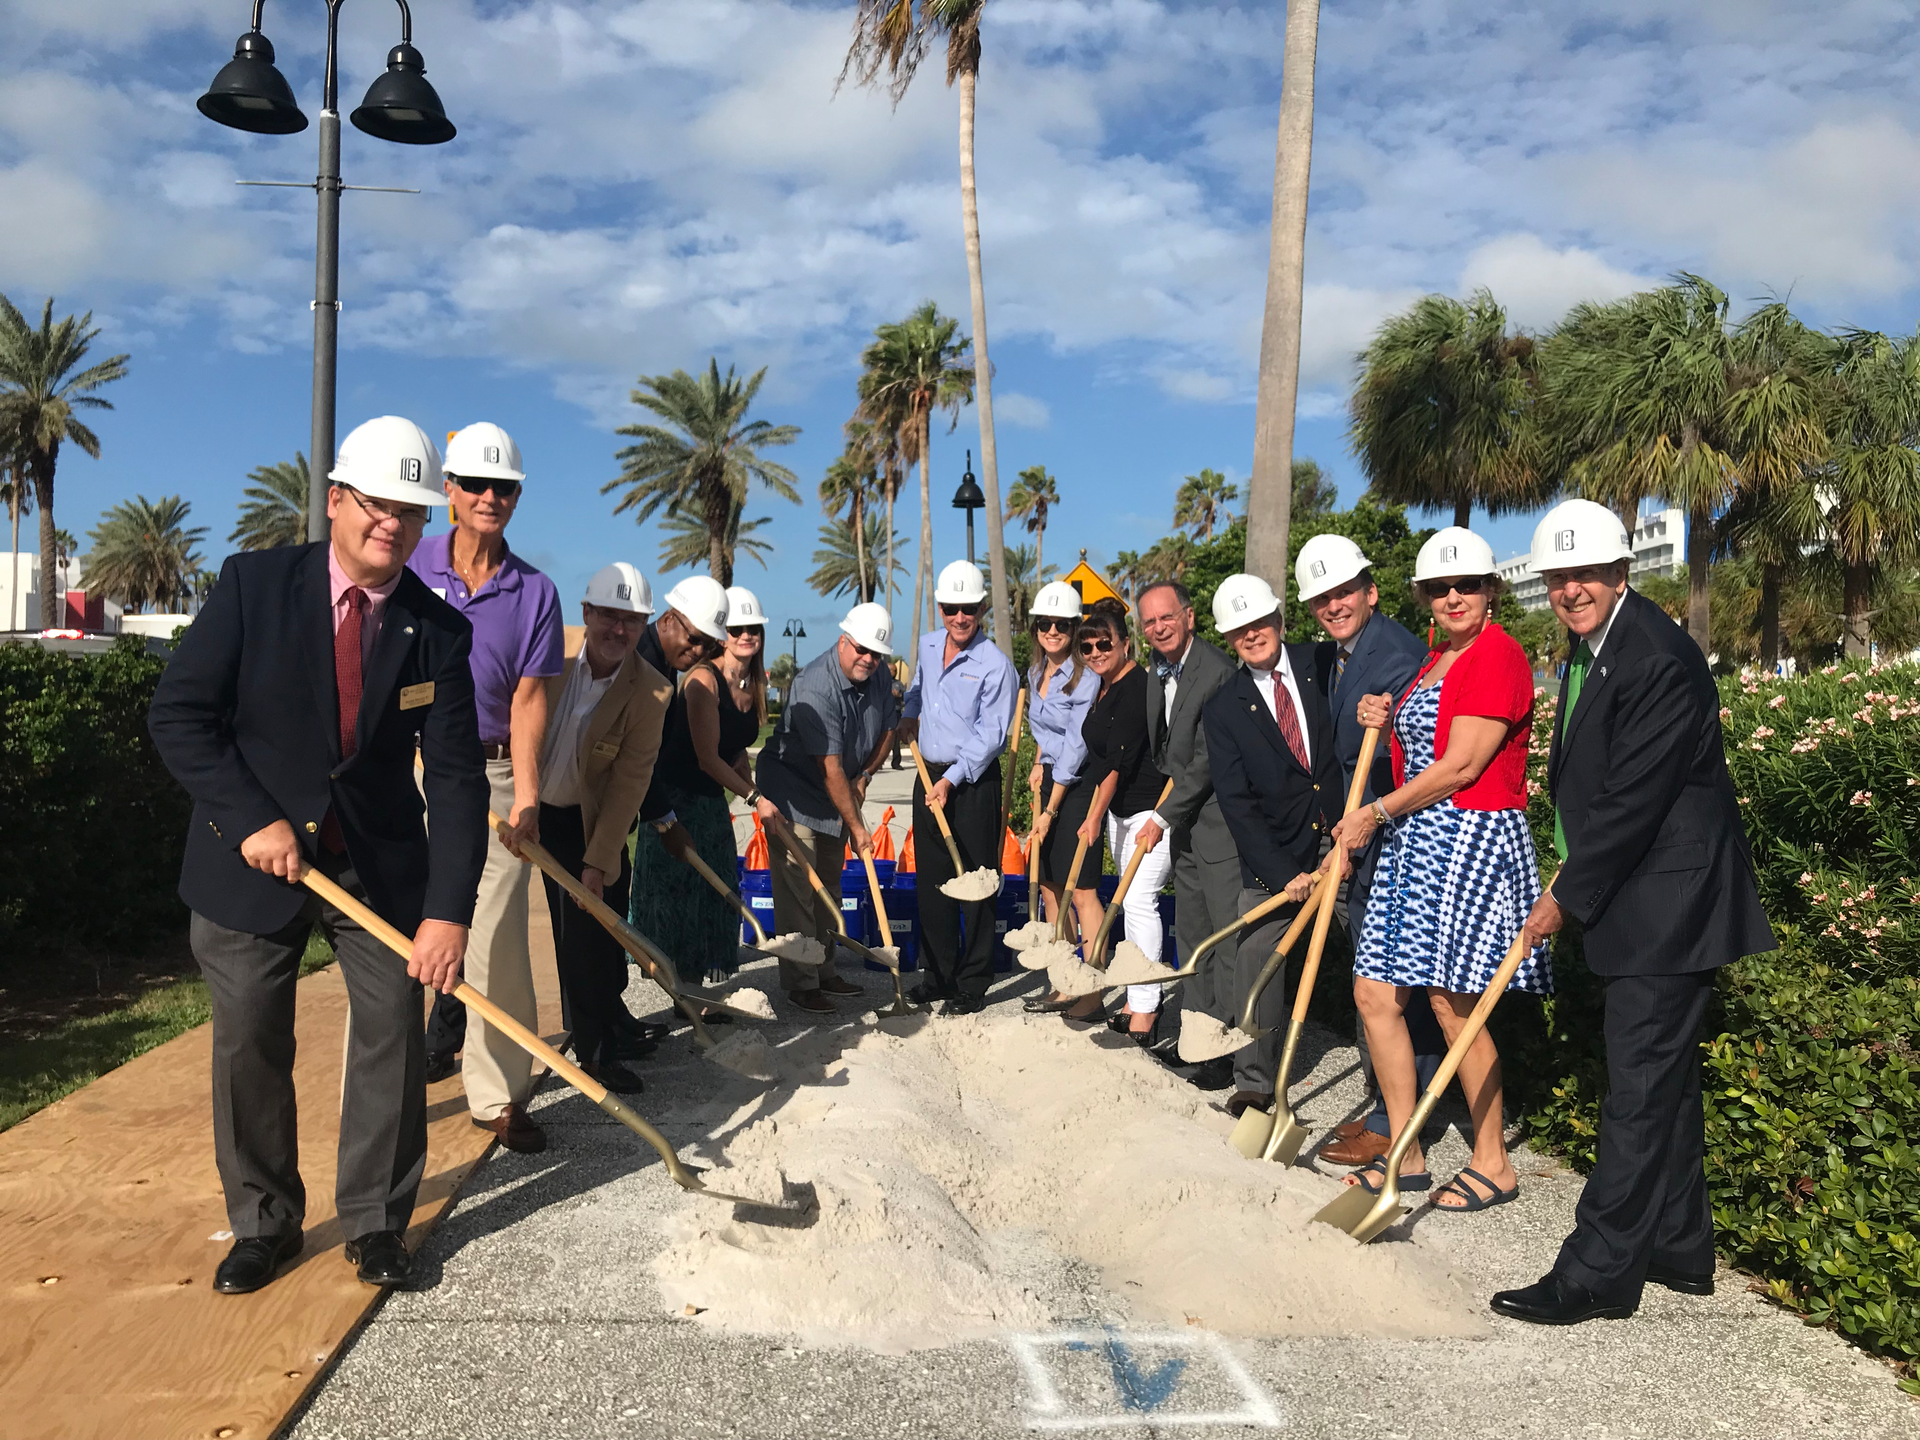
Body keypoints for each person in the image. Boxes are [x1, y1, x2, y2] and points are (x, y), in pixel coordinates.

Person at [147, 415, 486, 1294]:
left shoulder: (437, 632)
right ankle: (265, 1221)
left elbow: (454, 783)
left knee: (392, 1038)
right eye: (378, 505)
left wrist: (447, 912)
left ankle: (376, 1222)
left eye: (413, 513)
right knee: (251, 1039)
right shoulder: (255, 587)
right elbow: (180, 716)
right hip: (247, 859)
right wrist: (251, 819)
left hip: (373, 869)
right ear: (336, 500)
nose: (395, 526)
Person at [1491, 500, 1773, 1325]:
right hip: (1645, 893)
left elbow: (1630, 805)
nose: (1571, 589)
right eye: (1559, 577)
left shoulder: (1652, 656)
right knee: (1664, 1086)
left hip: (1670, 903)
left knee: (1638, 1091)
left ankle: (1595, 1275)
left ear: (1621, 571)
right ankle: (1680, 1248)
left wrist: (1562, 898)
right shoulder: (1599, 645)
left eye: (1586, 574)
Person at [1330, 527, 1547, 1212]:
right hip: (1413, 840)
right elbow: (1416, 743)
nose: (1454, 597)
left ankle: (1494, 1161)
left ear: (1491, 591)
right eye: (1440, 588)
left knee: (1455, 1008)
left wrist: (1374, 813)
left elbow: (1462, 765)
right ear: (1425, 597)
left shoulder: (1500, 655)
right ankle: (1407, 1151)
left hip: (1468, 836)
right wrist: (1382, 714)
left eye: (1468, 586)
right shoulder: (1433, 660)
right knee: (1374, 996)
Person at [408, 421, 563, 1155]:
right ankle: (393, 1088)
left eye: (505, 488)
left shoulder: (536, 592)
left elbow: (532, 704)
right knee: (399, 927)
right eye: (475, 485)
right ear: (449, 491)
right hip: (403, 767)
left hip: (493, 770)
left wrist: (527, 798)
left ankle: (498, 1094)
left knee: (496, 936)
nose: (490, 497)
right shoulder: (407, 564)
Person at [1295, 533, 1441, 1168]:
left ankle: (1402, 1119)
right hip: (1362, 834)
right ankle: (1384, 1104)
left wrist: (1362, 827)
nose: (1334, 605)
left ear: (1370, 591)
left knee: (1395, 989)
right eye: (1323, 599)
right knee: (1373, 984)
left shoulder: (1398, 654)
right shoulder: (1343, 654)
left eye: (1344, 592)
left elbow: (1414, 746)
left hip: (1396, 836)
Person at [1200, 574, 1340, 1116]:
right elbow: (1237, 803)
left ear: (1281, 621)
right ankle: (1254, 1082)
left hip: (1345, 839)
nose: (1252, 635)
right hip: (1276, 859)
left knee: (1373, 966)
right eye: (1239, 630)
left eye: (1259, 622)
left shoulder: (1323, 665)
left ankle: (1384, 1092)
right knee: (1256, 956)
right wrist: (1282, 873)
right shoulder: (1225, 706)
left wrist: (1346, 832)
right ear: (1230, 639)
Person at [535, 563, 673, 1094]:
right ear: (586, 612)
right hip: (516, 799)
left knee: (586, 935)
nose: (618, 630)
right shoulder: (548, 650)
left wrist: (598, 860)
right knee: (478, 923)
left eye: (631, 621)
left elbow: (629, 783)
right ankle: (444, 1035)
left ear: (645, 626)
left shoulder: (652, 692)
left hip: (578, 818)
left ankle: (596, 1050)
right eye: (608, 617)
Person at [755, 602, 897, 1011]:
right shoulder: (816, 684)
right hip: (793, 794)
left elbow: (889, 729)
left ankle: (825, 970)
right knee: (800, 888)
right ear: (843, 641)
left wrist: (865, 776)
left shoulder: (880, 674)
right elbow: (829, 766)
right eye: (861, 649)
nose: (868, 659)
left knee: (829, 887)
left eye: (877, 653)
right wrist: (857, 826)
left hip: (839, 793)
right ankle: (802, 983)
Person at [897, 560, 1018, 1016]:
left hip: (970, 784)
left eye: (969, 608)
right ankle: (938, 975)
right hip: (928, 777)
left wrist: (952, 780)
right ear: (940, 608)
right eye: (951, 608)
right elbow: (918, 687)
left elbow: (991, 735)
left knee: (976, 883)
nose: (960, 617)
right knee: (932, 882)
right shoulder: (928, 646)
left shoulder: (996, 666)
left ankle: (973, 981)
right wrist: (910, 712)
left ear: (983, 607)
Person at [1135, 577, 1239, 1082]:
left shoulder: (1216, 671)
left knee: (1222, 941)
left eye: (1167, 617)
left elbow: (1205, 761)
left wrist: (1160, 816)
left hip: (1219, 824)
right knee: (1193, 934)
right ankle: (1196, 1042)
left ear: (1189, 617)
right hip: (1187, 827)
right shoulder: (1158, 670)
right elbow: (1164, 750)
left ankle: (1223, 1050)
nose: (1159, 627)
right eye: (1150, 621)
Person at [628, 577, 751, 988]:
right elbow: (635, 756)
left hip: (651, 798)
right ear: (668, 618)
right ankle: (600, 1030)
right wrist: (665, 820)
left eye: (707, 645)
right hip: (635, 800)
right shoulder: (641, 662)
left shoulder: (665, 667)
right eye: (695, 639)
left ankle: (624, 1015)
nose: (698, 651)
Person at [1057, 601, 1171, 1038]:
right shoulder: (1102, 687)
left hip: (1149, 811)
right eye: (1086, 646)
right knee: (1130, 904)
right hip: (1120, 814)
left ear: (1126, 643)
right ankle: (1135, 997)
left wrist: (1090, 817)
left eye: (1105, 643)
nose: (1096, 651)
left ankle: (1147, 1009)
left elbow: (1118, 764)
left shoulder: (1138, 686)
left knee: (1140, 901)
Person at [1019, 581, 1101, 1018]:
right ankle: (1064, 979)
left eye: (1062, 625)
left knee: (1082, 889)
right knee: (1051, 887)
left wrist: (1052, 808)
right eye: (1045, 624)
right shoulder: (1035, 674)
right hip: (1051, 775)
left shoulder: (1086, 679)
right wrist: (1037, 761)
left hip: (1078, 785)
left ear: (1073, 629)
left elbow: (1074, 743)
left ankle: (1092, 989)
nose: (1052, 631)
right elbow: (1046, 734)